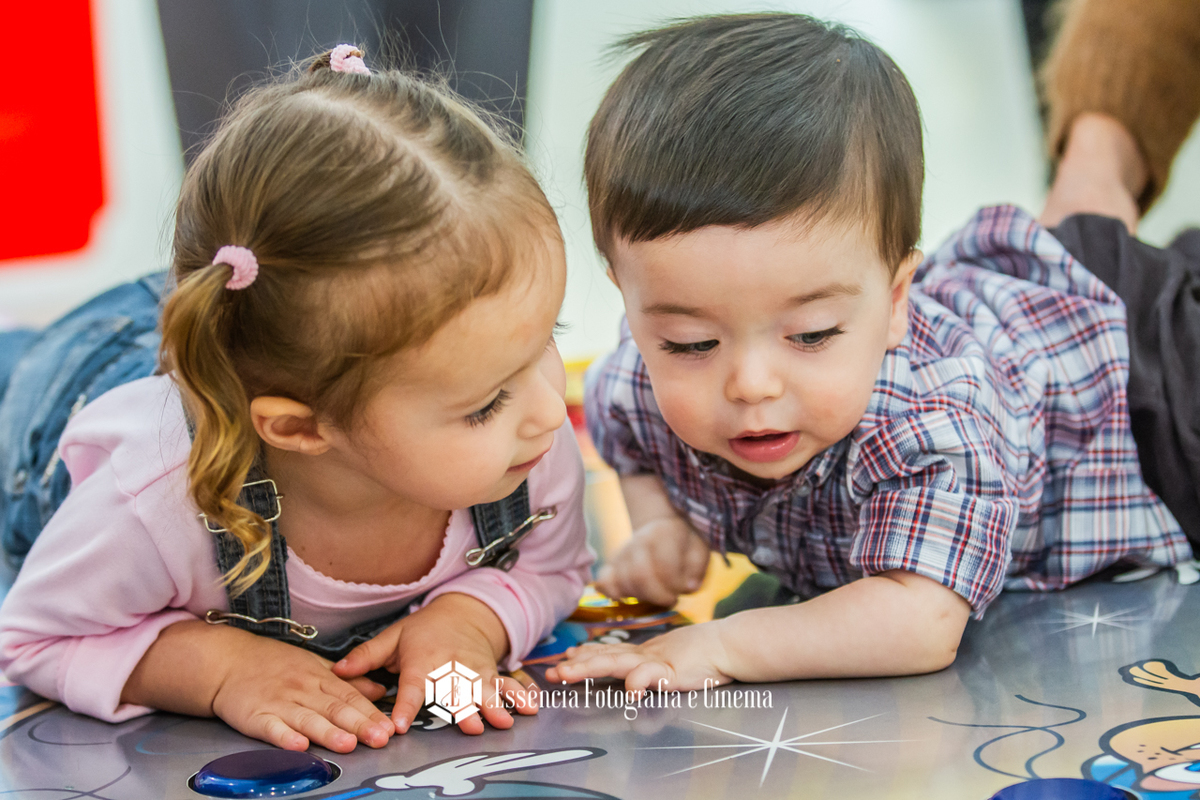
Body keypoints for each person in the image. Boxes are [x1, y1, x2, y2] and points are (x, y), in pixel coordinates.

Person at [544, 14, 1191, 695]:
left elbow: (918, 619)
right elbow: (628, 433)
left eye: (813, 334)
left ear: (895, 301)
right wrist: (662, 526)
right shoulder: (641, 381)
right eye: (692, 343)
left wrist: (720, 646)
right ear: (632, 307)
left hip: (1154, 397)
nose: (751, 384)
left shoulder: (933, 421)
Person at [0, 46, 591, 753]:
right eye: (486, 402)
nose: (551, 411)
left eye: (545, 341)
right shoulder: (151, 502)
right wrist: (217, 669)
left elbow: (553, 566)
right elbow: (36, 639)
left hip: (263, 331)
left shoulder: (524, 446)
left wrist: (473, 616)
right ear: (302, 430)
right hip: (81, 374)